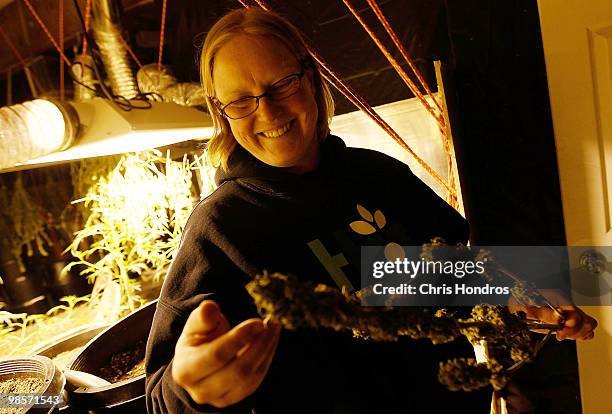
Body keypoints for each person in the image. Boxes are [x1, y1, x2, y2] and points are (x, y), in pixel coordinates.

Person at [145, 7, 597, 414]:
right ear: (222, 112)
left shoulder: (378, 175)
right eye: (241, 100)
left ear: (311, 79)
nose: (267, 111)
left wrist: (530, 295)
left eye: (281, 83)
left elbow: (451, 276)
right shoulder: (220, 227)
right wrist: (190, 390)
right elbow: (158, 397)